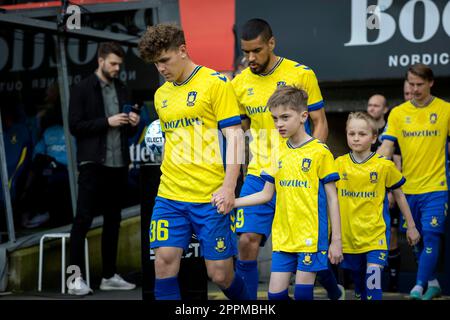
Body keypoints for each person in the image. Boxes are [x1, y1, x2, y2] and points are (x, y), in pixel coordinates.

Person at [231, 18, 340, 300]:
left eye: (256, 50)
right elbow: (240, 130)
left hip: (298, 174)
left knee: (306, 247)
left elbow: (320, 123)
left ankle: (332, 288)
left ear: (271, 43)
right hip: (259, 172)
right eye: (246, 52)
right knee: (246, 241)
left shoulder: (301, 73)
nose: (250, 58)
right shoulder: (239, 83)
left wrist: (309, 162)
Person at [138, 23, 248, 300]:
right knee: (163, 264)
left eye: (165, 60)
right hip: (169, 195)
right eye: (155, 64)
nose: (161, 68)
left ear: (183, 50)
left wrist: (228, 187)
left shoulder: (215, 83)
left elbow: (235, 137)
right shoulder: (161, 95)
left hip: (210, 197)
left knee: (220, 274)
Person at [214, 86, 343, 300]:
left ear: (303, 116)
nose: (279, 124)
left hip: (310, 237)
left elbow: (332, 198)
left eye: (285, 117)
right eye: (275, 118)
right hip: (284, 238)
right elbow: (266, 194)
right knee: (275, 296)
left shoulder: (320, 152)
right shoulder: (278, 152)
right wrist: (233, 202)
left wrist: (336, 240)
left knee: (303, 295)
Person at [68, 42, 139, 295]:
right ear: (100, 60)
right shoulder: (82, 88)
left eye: (120, 64)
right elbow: (75, 126)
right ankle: (73, 279)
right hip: (92, 163)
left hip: (118, 164)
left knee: (113, 220)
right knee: (83, 219)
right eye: (113, 63)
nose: (117, 68)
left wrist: (133, 121)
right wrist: (106, 122)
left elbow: (127, 127)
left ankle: (108, 276)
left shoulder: (121, 87)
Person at [378, 64, 449, 300]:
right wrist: (370, 167)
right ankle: (433, 283)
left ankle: (418, 286)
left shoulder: (446, 110)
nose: (415, 89)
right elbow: (387, 147)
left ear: (431, 83)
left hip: (437, 187)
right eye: (411, 84)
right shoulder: (398, 113)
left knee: (430, 234)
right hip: (408, 189)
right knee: (415, 239)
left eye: (420, 84)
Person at [336, 112, 420, 300]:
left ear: (374, 137)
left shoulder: (384, 166)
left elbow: (399, 195)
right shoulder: (338, 165)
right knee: (359, 289)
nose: (356, 138)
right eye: (352, 133)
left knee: (373, 288)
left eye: (362, 134)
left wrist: (412, 226)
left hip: (376, 236)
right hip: (349, 239)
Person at [366, 94, 402, 292]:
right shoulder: (361, 129)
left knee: (392, 236)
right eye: (369, 105)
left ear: (385, 109)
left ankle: (393, 282)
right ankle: (365, 284)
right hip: (365, 197)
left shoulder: (391, 131)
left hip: (387, 192)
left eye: (376, 105)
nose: (372, 109)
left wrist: (391, 193)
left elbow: (396, 164)